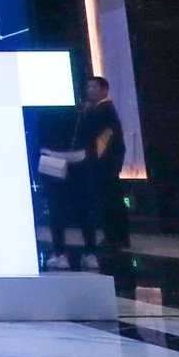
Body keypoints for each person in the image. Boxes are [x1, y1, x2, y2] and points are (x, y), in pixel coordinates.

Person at [62, 76, 127, 267]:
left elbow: (101, 137)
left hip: (105, 161)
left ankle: (114, 237)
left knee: (109, 199)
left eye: (94, 87)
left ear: (104, 90)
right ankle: (117, 236)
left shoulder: (104, 109)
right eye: (88, 86)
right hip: (105, 160)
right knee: (109, 198)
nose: (90, 90)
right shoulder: (101, 109)